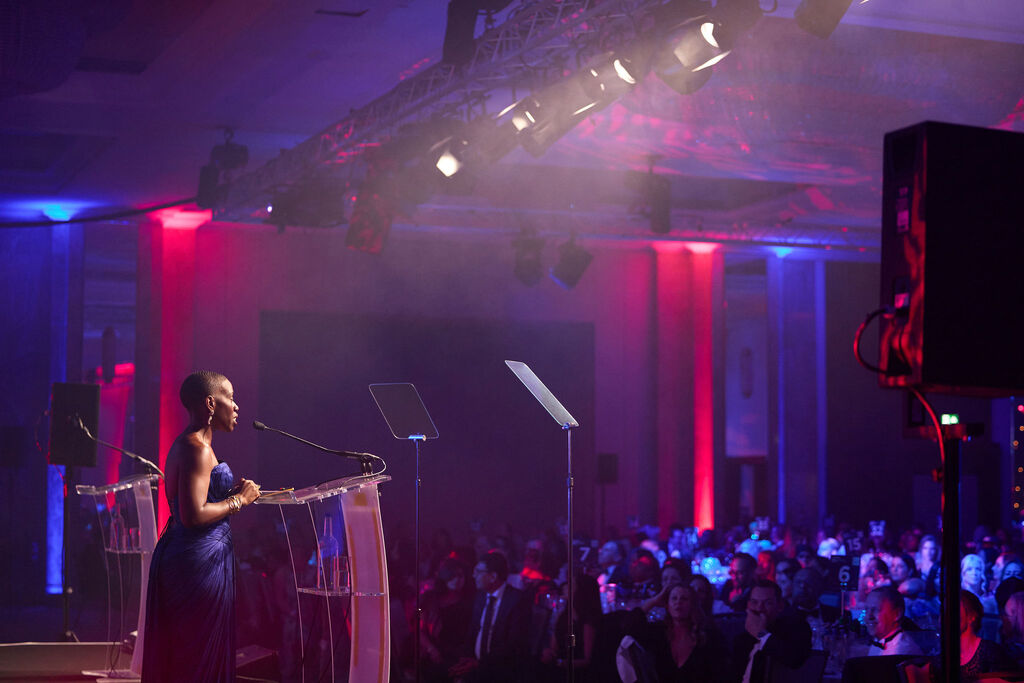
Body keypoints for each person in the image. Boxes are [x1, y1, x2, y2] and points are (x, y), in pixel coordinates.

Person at [142, 371, 262, 682]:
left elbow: (200, 499)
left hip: (194, 558)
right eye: (230, 398)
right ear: (210, 403)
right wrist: (239, 501)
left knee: (191, 657)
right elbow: (192, 514)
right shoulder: (197, 448)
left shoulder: (194, 445)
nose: (236, 406)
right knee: (196, 659)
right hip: (197, 565)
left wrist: (229, 494)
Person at [450, 550, 530, 683]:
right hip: (476, 666)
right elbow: (473, 631)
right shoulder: (481, 596)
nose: (473, 575)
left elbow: (513, 644)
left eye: (478, 572)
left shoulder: (517, 601)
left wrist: (480, 663)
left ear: (493, 576)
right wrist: (466, 658)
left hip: (502, 670)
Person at [732, 579, 811, 683]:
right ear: (748, 605)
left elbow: (795, 660)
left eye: (767, 603)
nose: (759, 608)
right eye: (754, 602)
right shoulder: (740, 637)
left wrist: (761, 634)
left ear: (780, 606)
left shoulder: (795, 629)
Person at [645, 584, 727, 682]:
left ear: (692, 605)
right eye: (674, 598)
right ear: (667, 605)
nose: (678, 602)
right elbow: (631, 624)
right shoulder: (658, 632)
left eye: (684, 599)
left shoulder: (708, 636)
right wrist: (654, 601)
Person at [961, 589, 1016, 679]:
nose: (945, 616)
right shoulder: (941, 656)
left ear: (971, 616)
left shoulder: (992, 653)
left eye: (953, 610)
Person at [864, 586, 922, 657]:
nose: (869, 616)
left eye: (876, 610)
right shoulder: (880, 640)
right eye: (867, 610)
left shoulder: (901, 651)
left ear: (897, 614)